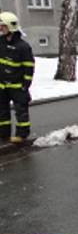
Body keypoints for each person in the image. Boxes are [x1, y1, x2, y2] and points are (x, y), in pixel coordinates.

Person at [0, 12, 35, 143]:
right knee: (2, 113)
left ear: (10, 27)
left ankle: (21, 136)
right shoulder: (0, 43)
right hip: (2, 86)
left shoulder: (23, 47)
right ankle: (3, 135)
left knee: (21, 113)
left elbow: (29, 67)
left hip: (17, 86)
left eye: (2, 26)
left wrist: (25, 85)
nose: (0, 29)